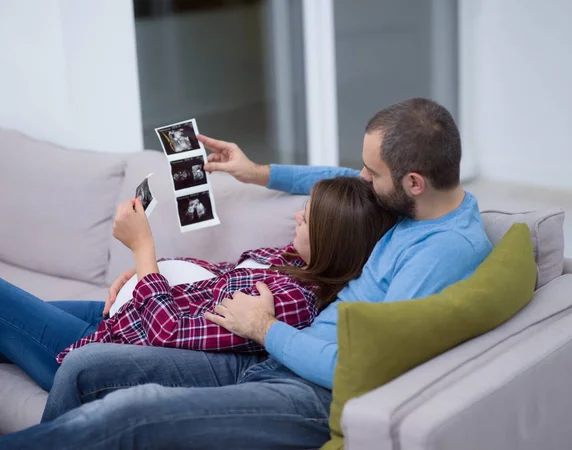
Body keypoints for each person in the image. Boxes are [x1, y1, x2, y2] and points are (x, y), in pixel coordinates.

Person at [1, 98, 493, 449]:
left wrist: (266, 328)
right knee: (87, 367)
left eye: (371, 174)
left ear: (413, 181)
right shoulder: (412, 205)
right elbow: (334, 181)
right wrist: (255, 171)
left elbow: (361, 368)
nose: (358, 180)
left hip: (308, 391)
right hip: (272, 359)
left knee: (130, 413)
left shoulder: (441, 253)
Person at [0, 177, 395, 392]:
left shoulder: (289, 302)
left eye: (306, 219)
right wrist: (142, 276)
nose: (295, 216)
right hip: (126, 312)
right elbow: (214, 275)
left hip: (117, 343)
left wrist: (143, 251)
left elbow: (169, 331)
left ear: (331, 240)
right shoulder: (289, 260)